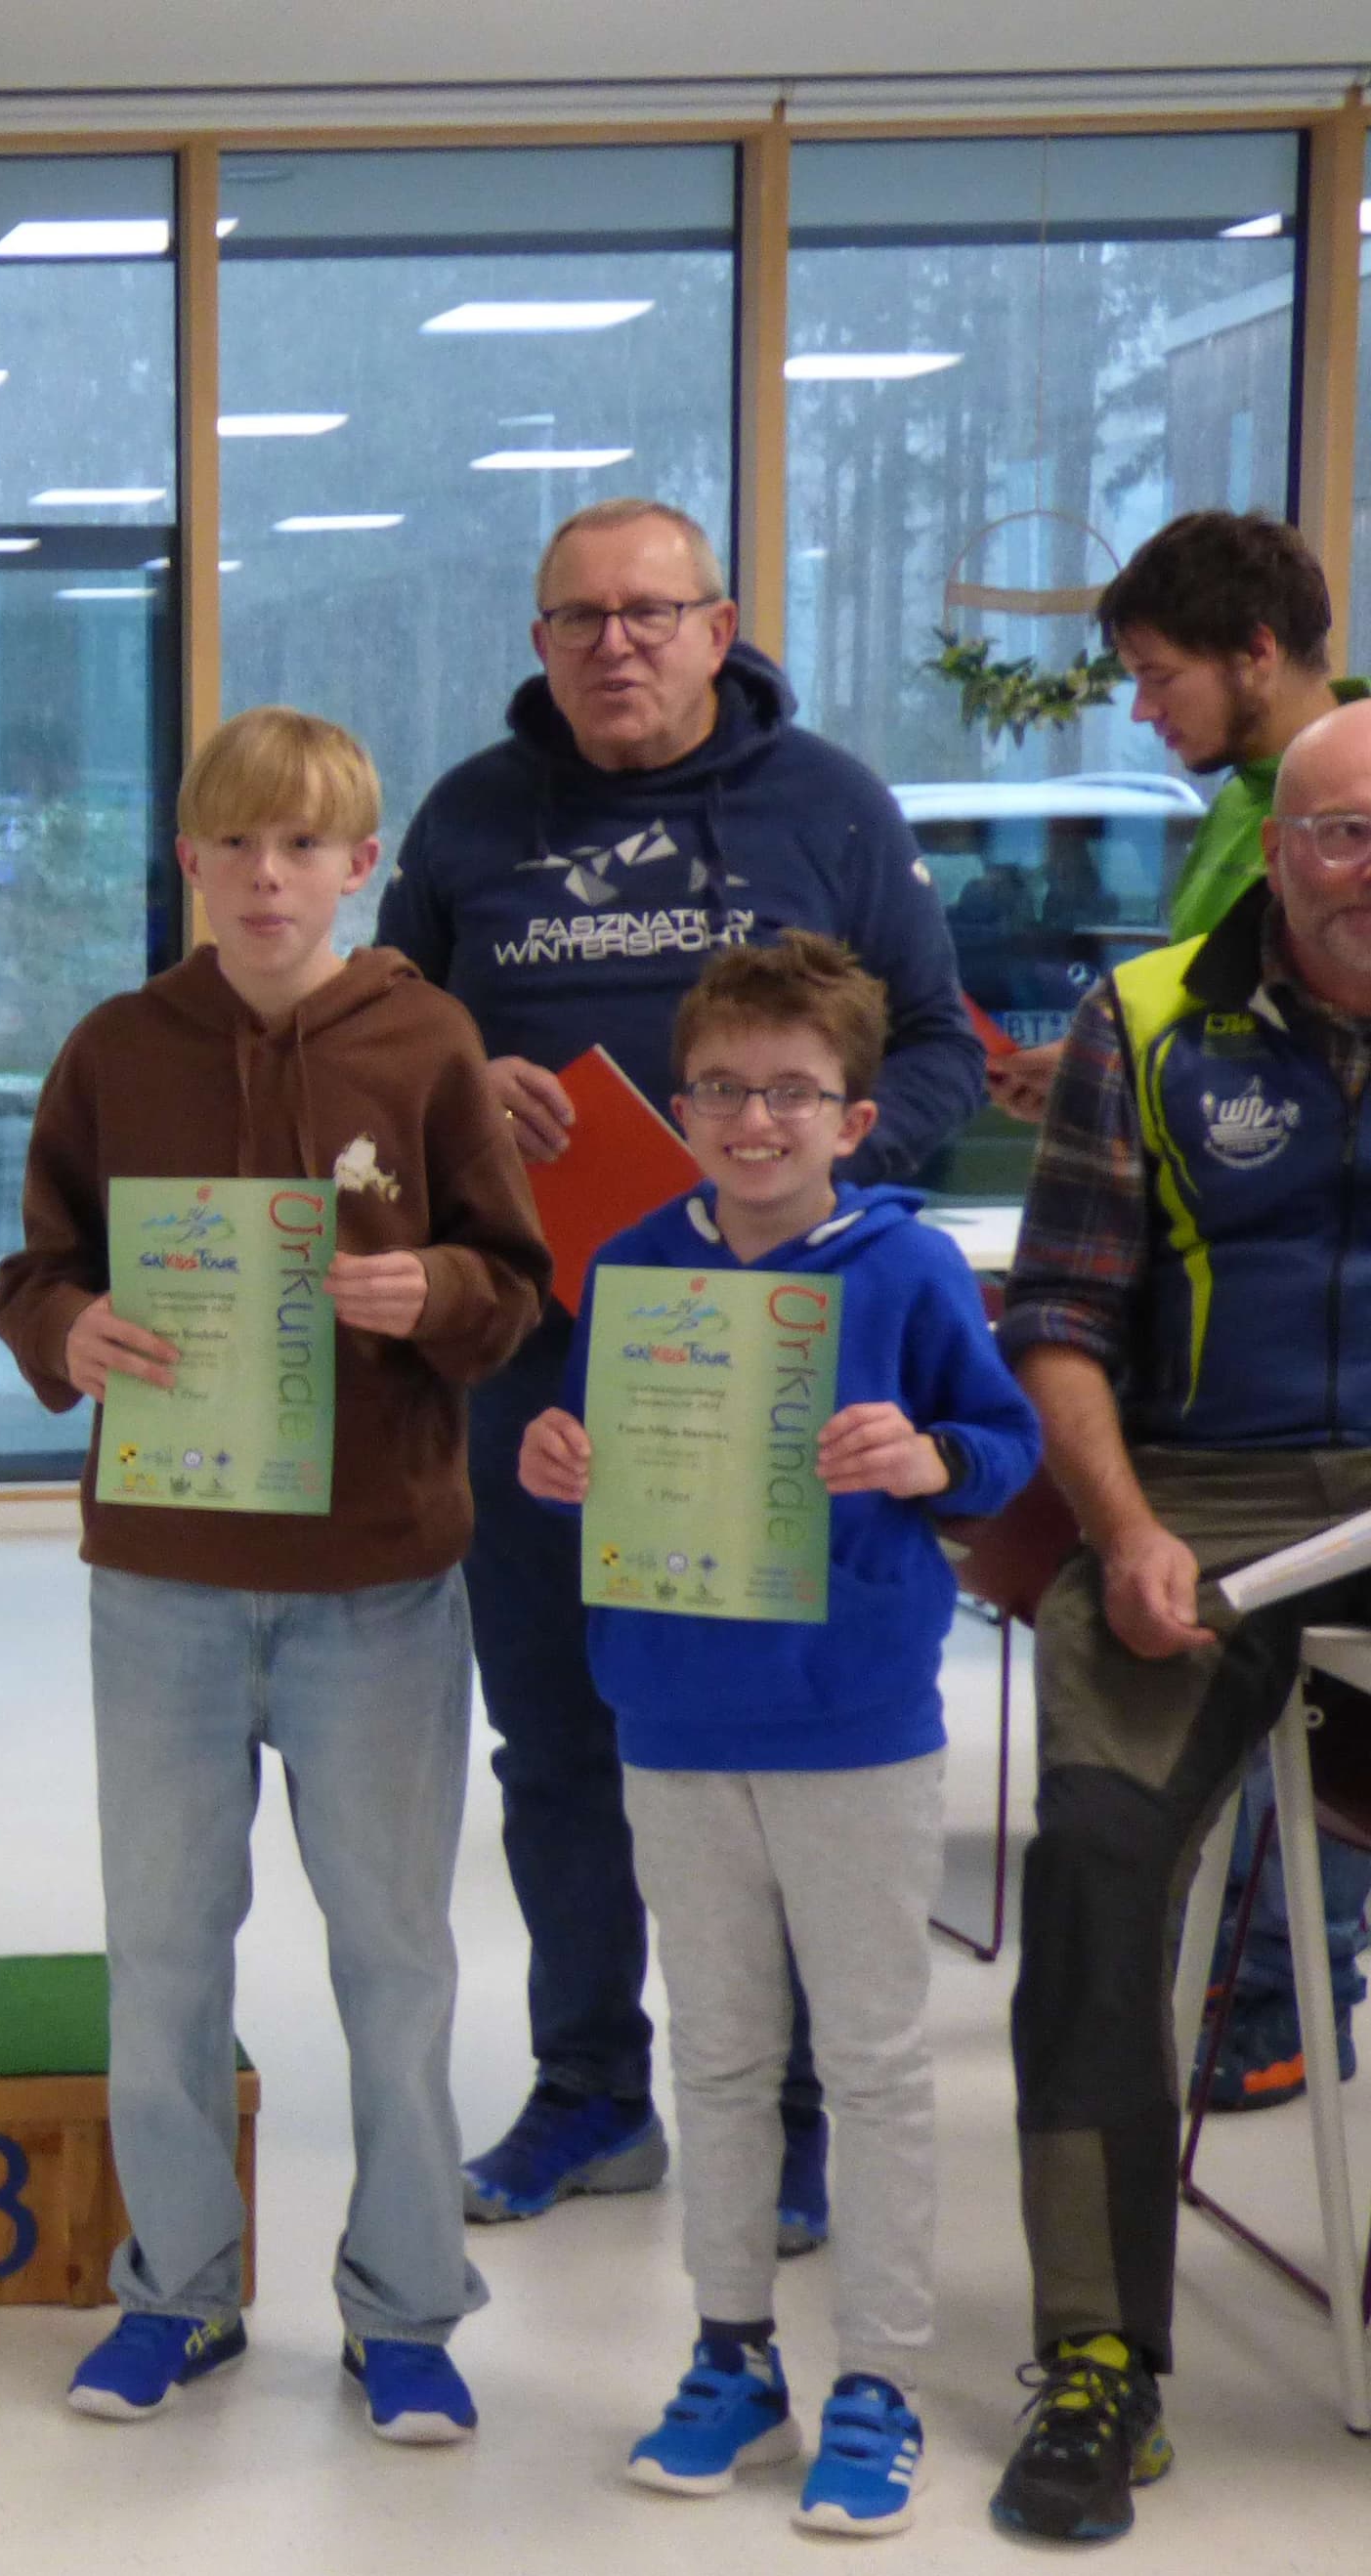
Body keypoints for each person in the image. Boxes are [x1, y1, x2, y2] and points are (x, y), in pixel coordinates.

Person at [375, 497, 986, 2238]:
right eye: (577, 618)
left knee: (759, 1749)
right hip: (544, 1356)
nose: (614, 645)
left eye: (649, 612)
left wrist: (804, 1175)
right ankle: (589, 2089)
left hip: (774, 1344)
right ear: (540, 641)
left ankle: (783, 2113)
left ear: (721, 628)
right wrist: (457, 1083)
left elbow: (936, 1048)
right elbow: (384, 1046)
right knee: (555, 1733)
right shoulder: (472, 817)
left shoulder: (830, 807)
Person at [0, 708, 547, 2445]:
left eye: (302, 846)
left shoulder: (427, 1043)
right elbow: (36, 1268)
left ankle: (407, 2312)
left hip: (376, 1586)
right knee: (163, 1953)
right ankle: (178, 2289)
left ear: (361, 866)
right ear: (187, 862)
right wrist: (67, 1331)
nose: (265, 876)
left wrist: (433, 1292)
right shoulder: (116, 1050)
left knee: (394, 1957)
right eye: (233, 843)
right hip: (161, 1582)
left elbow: (513, 1284)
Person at [519, 937, 1041, 2538]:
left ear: (855, 1118)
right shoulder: (628, 1268)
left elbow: (1005, 1446)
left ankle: (877, 2376)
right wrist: (560, 1463)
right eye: (724, 1090)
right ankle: (732, 2353)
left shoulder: (907, 1270)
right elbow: (611, 1461)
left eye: (793, 1094)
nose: (756, 1121)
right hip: (673, 1715)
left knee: (871, 2062)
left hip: (852, 1723)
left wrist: (926, 1455)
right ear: (680, 1108)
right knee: (720, 2052)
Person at [990, 697, 1371, 2542]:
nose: (1368, 870)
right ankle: (1094, 2355)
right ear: (1278, 852)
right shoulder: (1141, 1021)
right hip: (1197, 1499)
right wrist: (1122, 1526)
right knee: (1090, 1864)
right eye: (1340, 834)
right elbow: (1060, 1316)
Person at [1078, 512, 1371, 2103]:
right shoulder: (1241, 817)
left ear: (1257, 653)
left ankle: (1275, 1996)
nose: (1145, 711)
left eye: (1158, 674)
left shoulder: (1307, 796)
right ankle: (1262, 1987)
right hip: (1228, 1398)